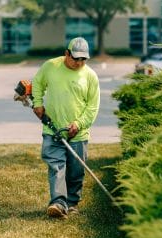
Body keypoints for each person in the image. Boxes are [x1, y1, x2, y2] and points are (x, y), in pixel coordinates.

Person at [32, 37, 100, 219]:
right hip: (52, 129)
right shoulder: (50, 66)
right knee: (56, 166)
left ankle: (72, 203)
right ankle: (58, 203)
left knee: (76, 171)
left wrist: (78, 124)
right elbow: (37, 83)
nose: (79, 63)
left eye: (83, 59)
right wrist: (37, 104)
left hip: (79, 134)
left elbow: (92, 107)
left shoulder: (90, 76)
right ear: (66, 53)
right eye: (75, 58)